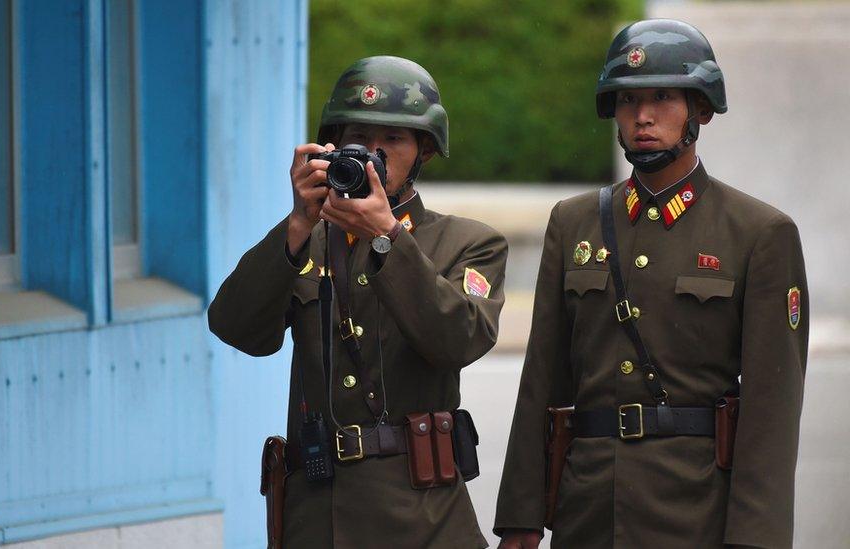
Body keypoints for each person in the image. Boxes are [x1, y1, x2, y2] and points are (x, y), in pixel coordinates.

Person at [494, 19, 808, 549]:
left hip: (694, 514)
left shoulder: (758, 233)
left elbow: (772, 409)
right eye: (627, 100)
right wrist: (521, 517)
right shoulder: (573, 224)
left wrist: (756, 537)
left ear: (701, 109)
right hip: (588, 510)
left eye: (663, 97)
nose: (642, 116)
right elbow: (542, 379)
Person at [209, 55, 507, 548]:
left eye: (393, 139)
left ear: (424, 151)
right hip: (318, 516)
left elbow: (459, 339)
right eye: (360, 139)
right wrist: (298, 224)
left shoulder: (467, 243)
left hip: (423, 519)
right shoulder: (308, 239)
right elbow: (236, 328)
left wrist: (387, 235)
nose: (374, 153)